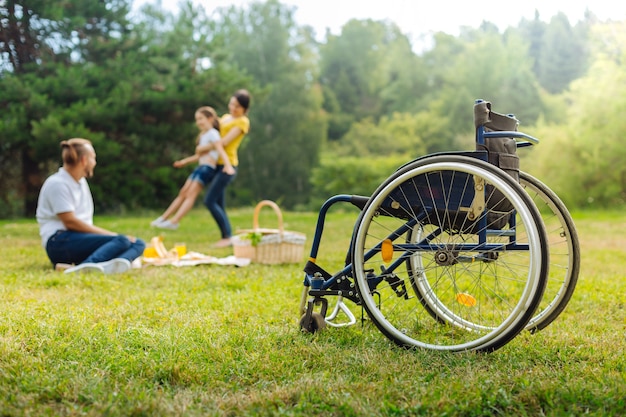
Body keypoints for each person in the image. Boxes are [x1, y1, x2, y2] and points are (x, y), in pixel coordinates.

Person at [36, 138, 145, 274]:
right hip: (59, 243)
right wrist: (113, 236)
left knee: (138, 243)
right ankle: (88, 266)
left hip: (81, 239)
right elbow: (70, 222)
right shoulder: (57, 183)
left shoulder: (81, 183)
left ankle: (101, 266)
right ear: (84, 160)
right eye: (93, 158)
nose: (95, 162)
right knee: (122, 240)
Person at [150, 106, 235, 230]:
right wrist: (184, 162)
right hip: (200, 167)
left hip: (207, 169)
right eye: (197, 119)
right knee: (183, 192)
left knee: (191, 194)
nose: (198, 122)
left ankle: (175, 221)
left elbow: (220, 149)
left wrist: (227, 165)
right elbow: (199, 156)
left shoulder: (213, 134)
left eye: (201, 118)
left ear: (210, 118)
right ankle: (163, 218)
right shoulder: (204, 135)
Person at [197, 89, 251, 248]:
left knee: (209, 200)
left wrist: (202, 149)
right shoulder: (226, 118)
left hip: (228, 165)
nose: (233, 108)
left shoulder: (242, 122)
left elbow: (224, 142)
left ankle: (227, 237)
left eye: (238, 106)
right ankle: (227, 236)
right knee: (218, 202)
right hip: (216, 163)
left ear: (244, 109)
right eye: (232, 104)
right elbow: (212, 131)